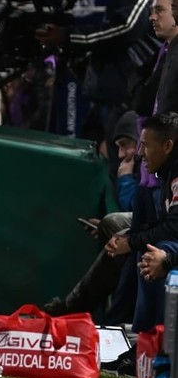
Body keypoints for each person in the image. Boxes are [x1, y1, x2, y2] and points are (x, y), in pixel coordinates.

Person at [36, 0, 172, 168]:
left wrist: (70, 36)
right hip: (111, 94)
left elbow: (126, 28)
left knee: (121, 166)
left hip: (125, 96)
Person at [41, 110, 141, 321]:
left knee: (119, 232)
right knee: (114, 232)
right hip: (151, 231)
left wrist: (125, 180)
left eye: (125, 144)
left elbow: (141, 210)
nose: (121, 154)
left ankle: (80, 311)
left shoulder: (145, 166)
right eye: (118, 147)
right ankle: (77, 310)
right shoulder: (135, 166)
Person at [106, 112, 178, 333]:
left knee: (155, 252)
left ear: (167, 146)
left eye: (145, 146)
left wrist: (166, 260)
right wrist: (131, 241)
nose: (141, 154)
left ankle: (153, 341)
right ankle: (144, 340)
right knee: (147, 250)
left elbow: (174, 228)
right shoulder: (167, 174)